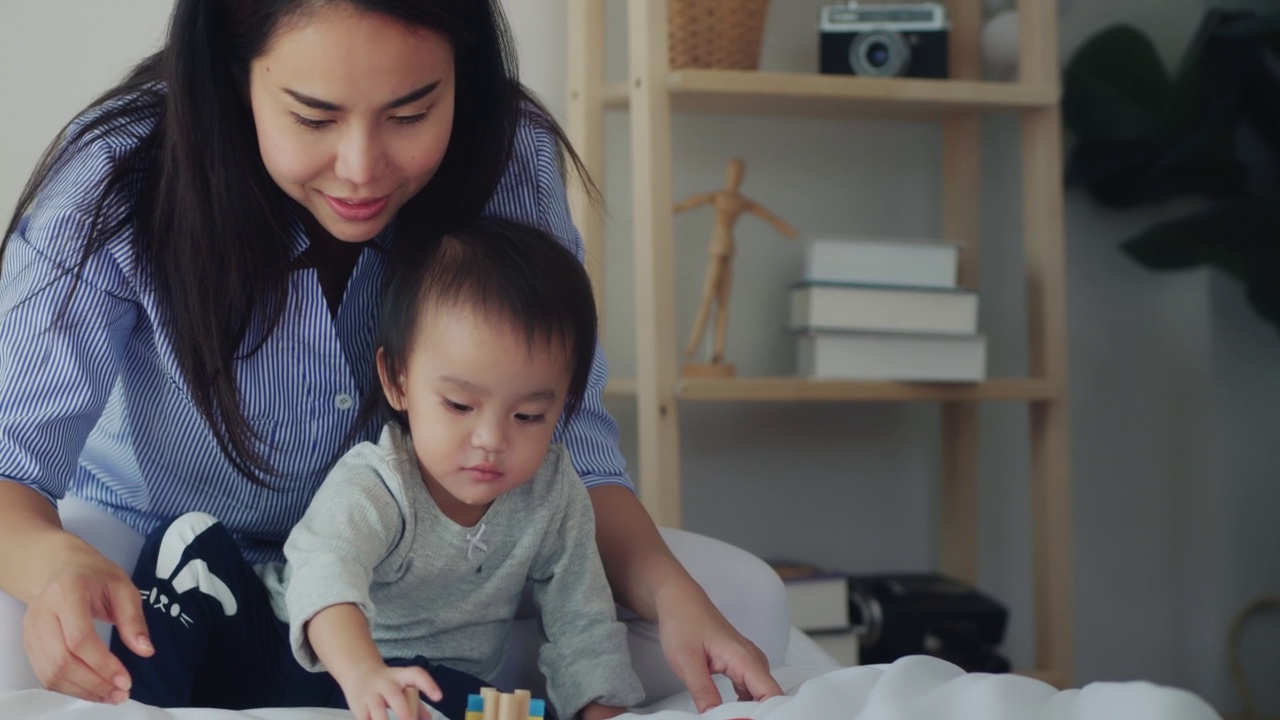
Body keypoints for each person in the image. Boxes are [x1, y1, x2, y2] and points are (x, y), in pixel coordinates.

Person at [0, 0, 782, 712]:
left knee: (751, 604)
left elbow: (566, 443)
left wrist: (671, 594)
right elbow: (10, 462)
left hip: (422, 566)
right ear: (235, 78)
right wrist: (50, 565)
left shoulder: (505, 154)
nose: (363, 169)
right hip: (157, 542)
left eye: (411, 112)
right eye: (313, 118)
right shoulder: (117, 174)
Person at [112, 218, 644, 720]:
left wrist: (601, 709)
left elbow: (583, 622)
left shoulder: (554, 493)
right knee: (186, 543)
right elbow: (326, 570)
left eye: (530, 415)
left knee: (516, 712)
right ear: (398, 382)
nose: (491, 441)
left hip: (424, 686)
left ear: (564, 406)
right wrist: (361, 672)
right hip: (289, 654)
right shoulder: (381, 479)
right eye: (459, 406)